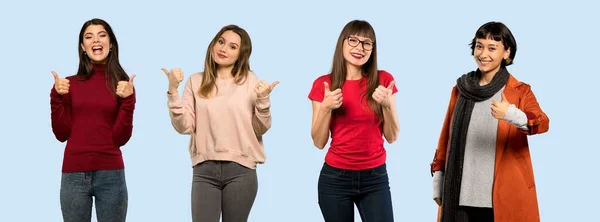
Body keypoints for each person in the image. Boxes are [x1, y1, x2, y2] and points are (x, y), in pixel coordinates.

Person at [430, 21, 550, 222]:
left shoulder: (520, 91)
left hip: (501, 196)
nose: (483, 54)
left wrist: (512, 114)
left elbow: (543, 123)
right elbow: (445, 138)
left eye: (492, 48)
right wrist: (438, 177)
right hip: (459, 194)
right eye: (479, 46)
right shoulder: (460, 89)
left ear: (506, 53)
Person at [163, 24, 278, 222]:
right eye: (221, 42)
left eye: (233, 47)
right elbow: (185, 126)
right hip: (204, 170)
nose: (224, 49)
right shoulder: (195, 81)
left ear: (241, 54)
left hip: (241, 170)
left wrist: (263, 100)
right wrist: (173, 91)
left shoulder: (250, 81)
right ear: (213, 44)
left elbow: (261, 128)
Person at [308, 20, 400, 222]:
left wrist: (387, 105)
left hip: (375, 178)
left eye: (367, 43)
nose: (360, 48)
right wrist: (325, 108)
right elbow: (318, 142)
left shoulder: (383, 80)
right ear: (342, 42)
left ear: (373, 49)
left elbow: (392, 137)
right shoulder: (324, 84)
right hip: (334, 179)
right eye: (353, 40)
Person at [50, 18, 136, 222]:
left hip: (111, 174)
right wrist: (56, 97)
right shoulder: (67, 85)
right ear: (83, 47)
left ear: (111, 43)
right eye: (89, 37)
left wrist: (128, 100)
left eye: (102, 35)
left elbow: (121, 138)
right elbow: (61, 134)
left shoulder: (123, 86)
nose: (95, 40)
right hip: (73, 174)